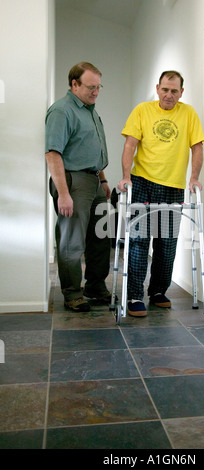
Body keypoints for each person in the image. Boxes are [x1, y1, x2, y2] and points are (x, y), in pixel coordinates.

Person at [118, 70, 204, 317]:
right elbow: (130, 145)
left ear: (181, 92)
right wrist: (126, 176)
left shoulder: (188, 114)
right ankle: (134, 294)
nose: (169, 95)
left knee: (167, 243)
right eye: (165, 89)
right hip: (144, 181)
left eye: (174, 91)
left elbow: (197, 147)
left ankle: (157, 291)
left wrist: (194, 177)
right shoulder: (142, 110)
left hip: (173, 186)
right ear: (157, 88)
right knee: (139, 241)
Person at [45, 62, 111, 312]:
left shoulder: (90, 110)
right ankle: (73, 293)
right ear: (74, 84)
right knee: (72, 240)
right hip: (72, 181)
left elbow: (94, 149)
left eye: (99, 87)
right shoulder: (62, 111)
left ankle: (95, 287)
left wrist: (103, 180)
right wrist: (63, 193)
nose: (96, 92)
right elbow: (53, 154)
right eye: (91, 87)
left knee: (101, 237)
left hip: (94, 181)